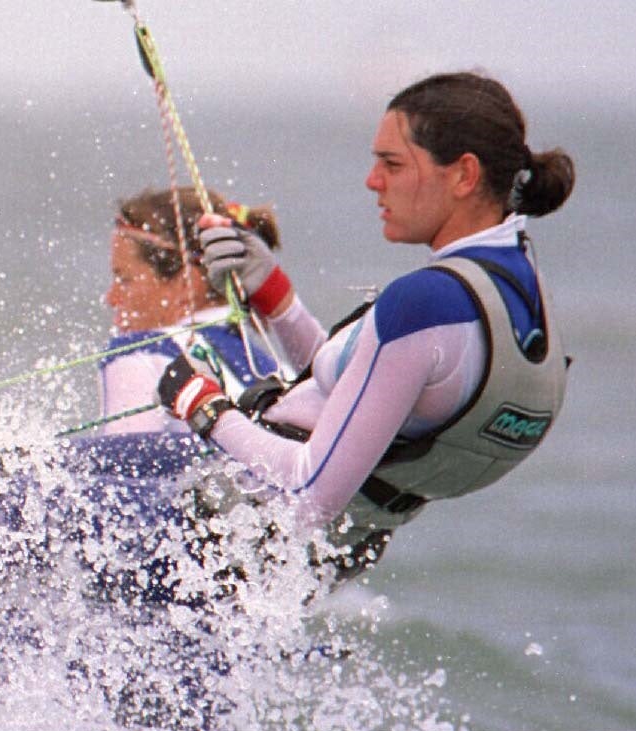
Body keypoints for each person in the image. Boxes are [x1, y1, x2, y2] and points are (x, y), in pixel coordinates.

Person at [156, 72, 574, 576]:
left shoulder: (426, 305)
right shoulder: (519, 294)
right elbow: (357, 395)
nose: (372, 180)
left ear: (464, 175)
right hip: (321, 557)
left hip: (224, 526)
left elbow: (308, 495)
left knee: (34, 488)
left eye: (392, 164)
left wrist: (204, 408)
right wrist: (271, 292)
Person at [99, 185, 282, 434]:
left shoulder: (140, 354)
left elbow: (124, 467)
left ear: (187, 283)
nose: (111, 298)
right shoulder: (277, 368)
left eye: (124, 279)